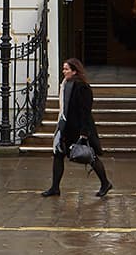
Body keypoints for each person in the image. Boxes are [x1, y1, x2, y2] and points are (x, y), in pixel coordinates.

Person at [40, 57, 111, 198]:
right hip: (66, 126)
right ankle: (55, 187)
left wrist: (84, 133)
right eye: (63, 68)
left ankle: (105, 183)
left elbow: (85, 111)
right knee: (58, 155)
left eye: (66, 69)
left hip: (79, 128)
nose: (63, 71)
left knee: (90, 156)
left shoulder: (82, 87)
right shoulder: (65, 85)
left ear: (74, 71)